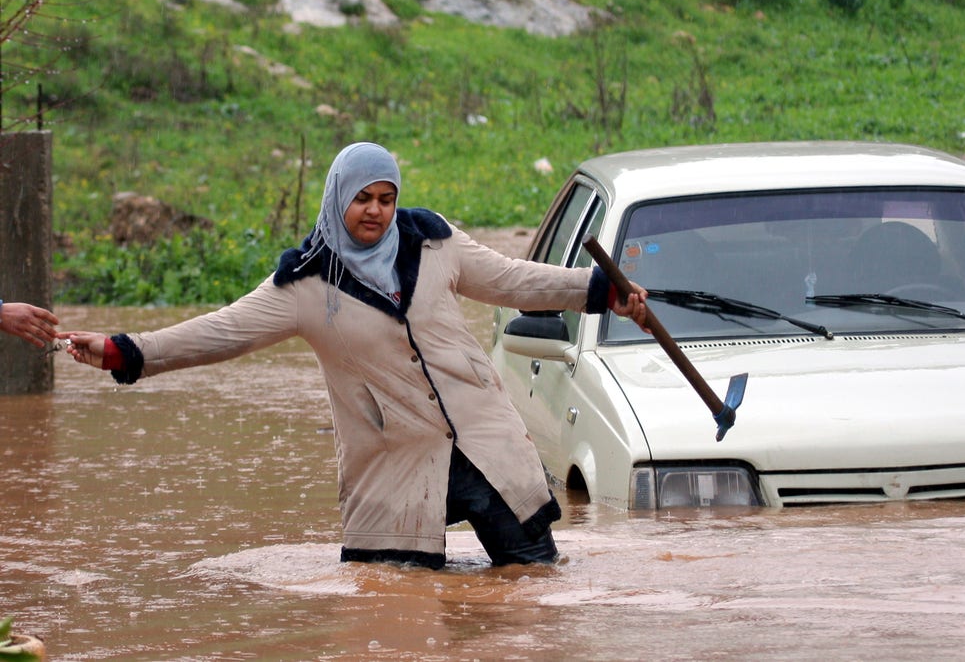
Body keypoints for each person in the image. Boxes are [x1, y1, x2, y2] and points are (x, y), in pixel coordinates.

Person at [62, 141, 647, 570]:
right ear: (338, 197)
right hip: (391, 461)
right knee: (392, 617)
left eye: (386, 199)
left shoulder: (435, 242)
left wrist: (598, 290)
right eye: (362, 198)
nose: (375, 211)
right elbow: (222, 333)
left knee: (534, 588)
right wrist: (127, 351)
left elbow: (513, 280)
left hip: (485, 444)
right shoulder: (305, 286)